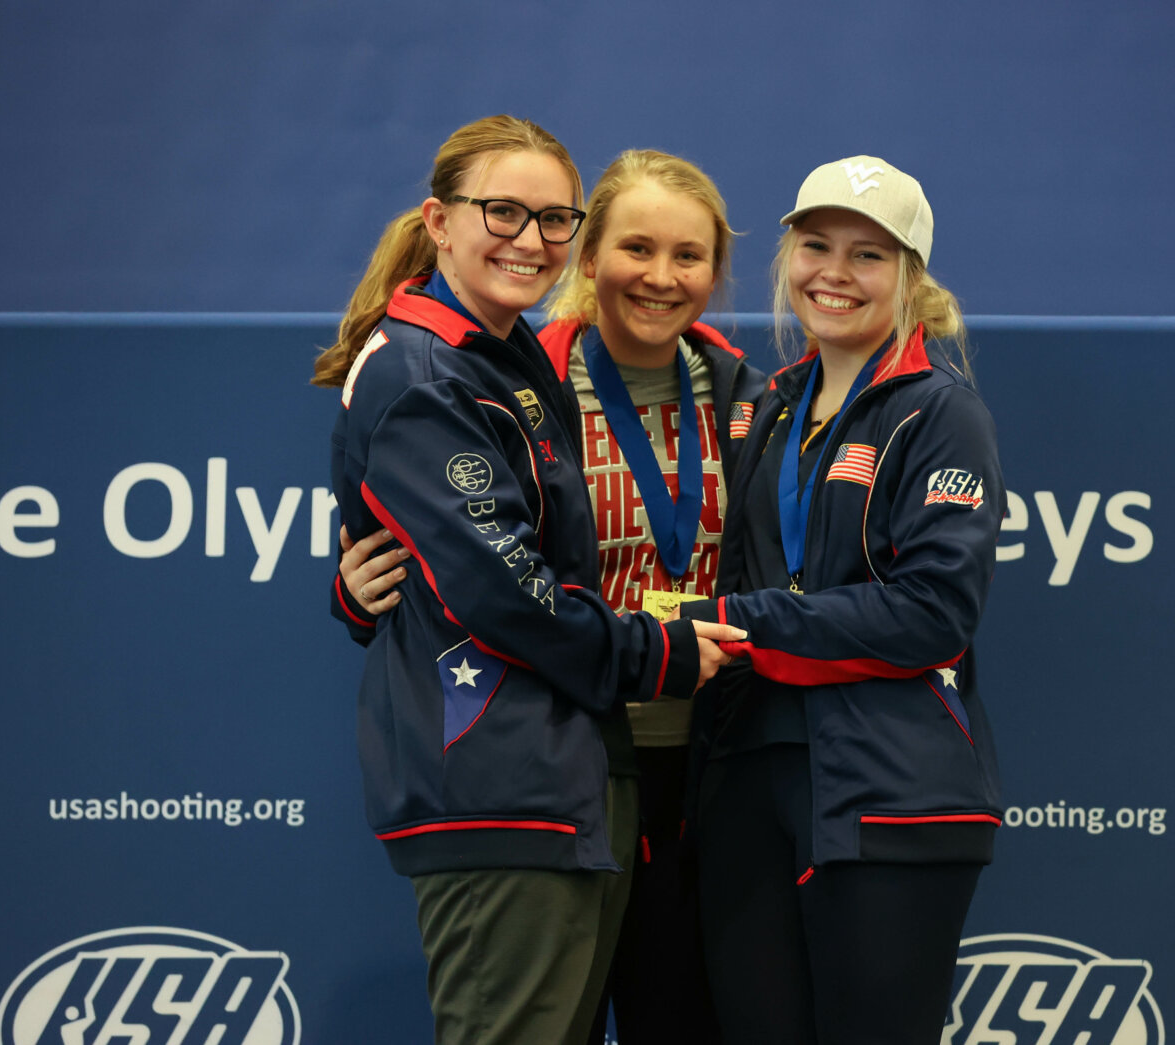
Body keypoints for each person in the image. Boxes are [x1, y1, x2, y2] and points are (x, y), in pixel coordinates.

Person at [313, 117, 743, 1045]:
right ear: (439, 221)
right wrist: (654, 650)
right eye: (503, 211)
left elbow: (485, 553)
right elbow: (498, 582)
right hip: (520, 765)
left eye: (551, 218)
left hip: (642, 771)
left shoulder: (743, 396)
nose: (529, 238)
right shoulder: (445, 368)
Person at [678, 156, 1006, 1045]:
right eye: (816, 245)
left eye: (868, 255)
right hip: (751, 773)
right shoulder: (770, 408)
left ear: (911, 276)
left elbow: (932, 613)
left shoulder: (940, 414)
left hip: (888, 788)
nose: (834, 273)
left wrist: (746, 621)